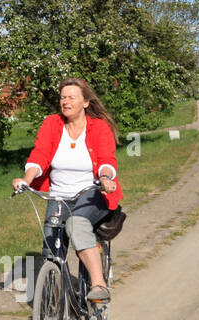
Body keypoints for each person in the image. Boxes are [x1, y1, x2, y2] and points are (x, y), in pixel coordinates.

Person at [11, 78, 123, 302]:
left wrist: (105, 178)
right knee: (51, 251)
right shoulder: (52, 124)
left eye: (71, 97)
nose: (65, 101)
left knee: (76, 224)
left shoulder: (98, 127)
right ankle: (56, 302)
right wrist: (26, 179)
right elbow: (40, 155)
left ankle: (98, 284)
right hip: (58, 196)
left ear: (85, 102)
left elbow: (106, 160)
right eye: (63, 97)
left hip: (91, 195)